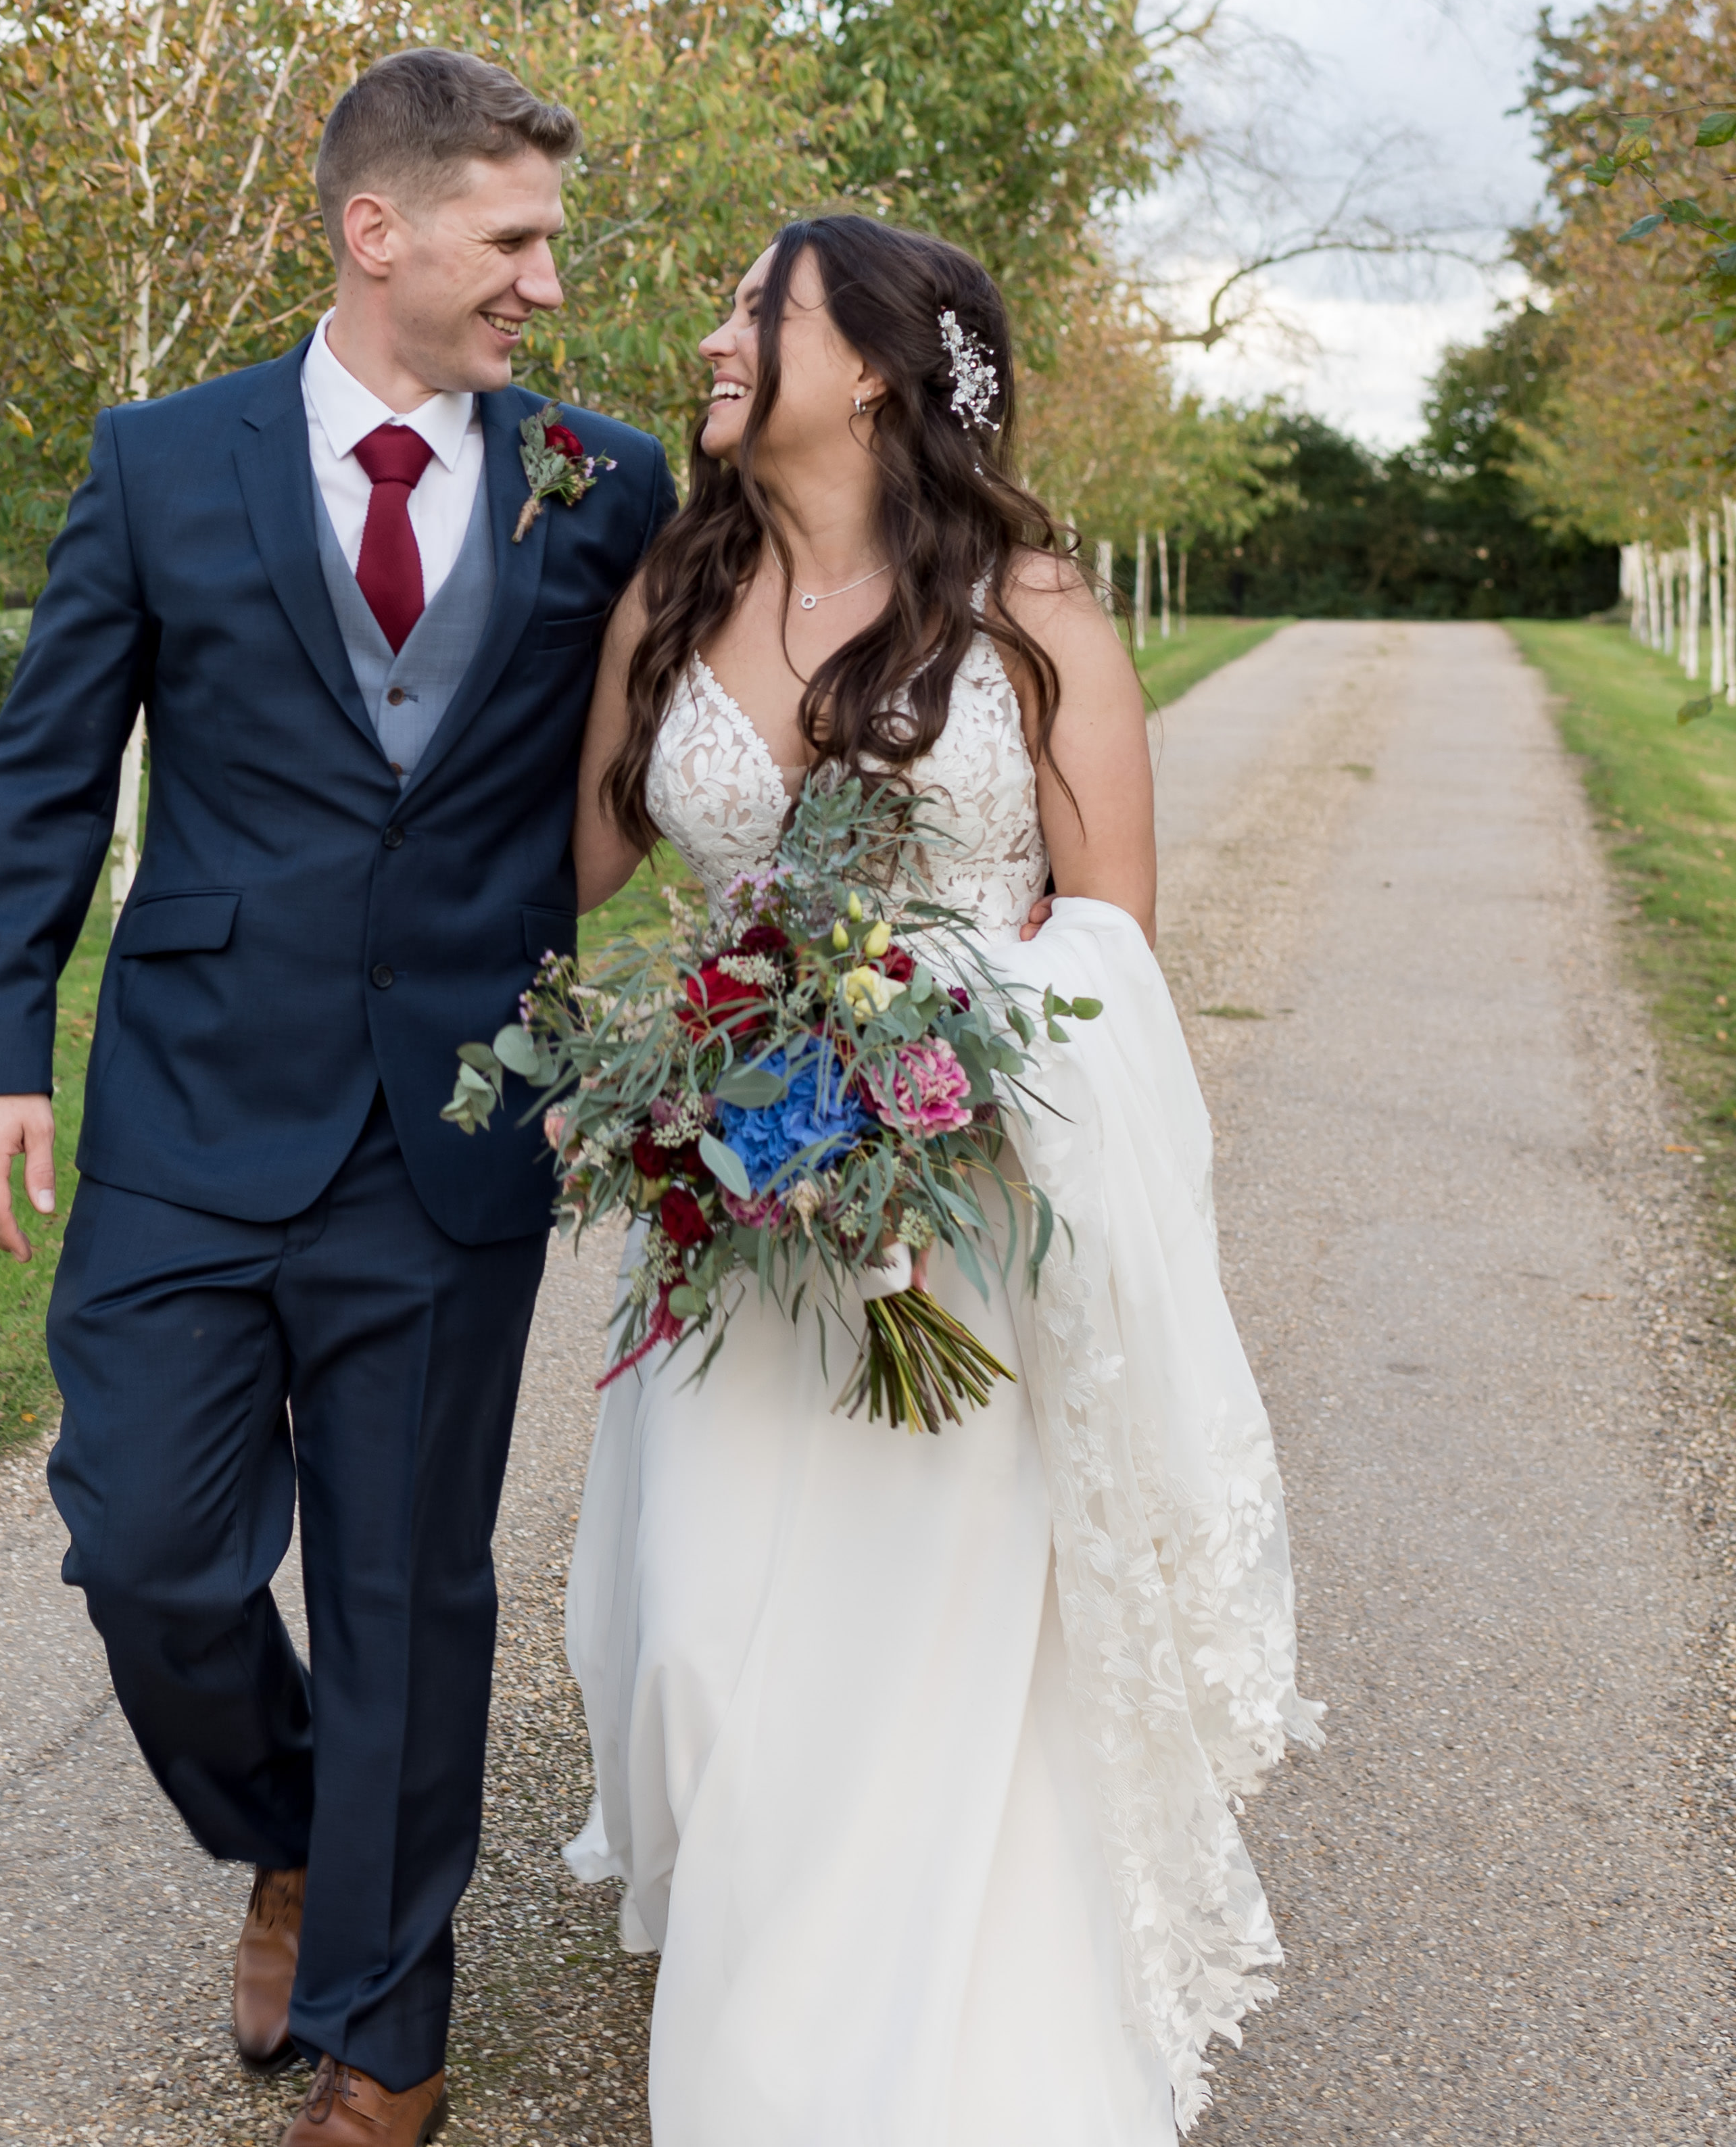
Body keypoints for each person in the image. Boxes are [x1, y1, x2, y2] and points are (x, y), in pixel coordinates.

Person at [0, 49, 677, 2147]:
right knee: (148, 1552)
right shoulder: (162, 462)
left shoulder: (602, 480)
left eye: (549, 241)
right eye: (512, 238)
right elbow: (49, 773)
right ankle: (283, 1825)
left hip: (456, 1119)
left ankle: (387, 2034)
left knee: (404, 1594)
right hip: (192, 1103)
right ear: (381, 231)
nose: (546, 281)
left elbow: (713, 701)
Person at [559, 212, 1316, 2142]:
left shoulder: (1026, 607)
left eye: (761, 307)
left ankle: (836, 2073)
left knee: (912, 1658)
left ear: (876, 372)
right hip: (735, 1212)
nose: (717, 335)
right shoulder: (674, 586)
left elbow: (1115, 937)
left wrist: (914, 1029)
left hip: (957, 1232)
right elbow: (571, 871)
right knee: (697, 1647)